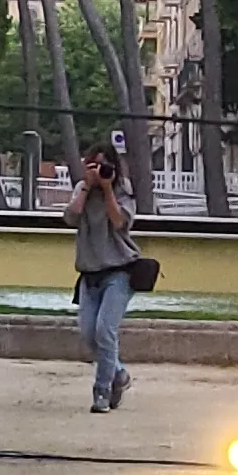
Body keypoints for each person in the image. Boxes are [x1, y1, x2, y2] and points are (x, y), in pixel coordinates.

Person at [70, 146, 141, 412]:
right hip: (90, 273)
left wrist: (108, 189)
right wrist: (88, 188)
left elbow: (119, 221)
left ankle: (102, 392)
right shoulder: (82, 189)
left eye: (105, 165)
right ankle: (119, 374)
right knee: (89, 334)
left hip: (120, 270)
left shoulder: (124, 191)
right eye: (94, 166)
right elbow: (70, 217)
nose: (100, 171)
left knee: (104, 331)